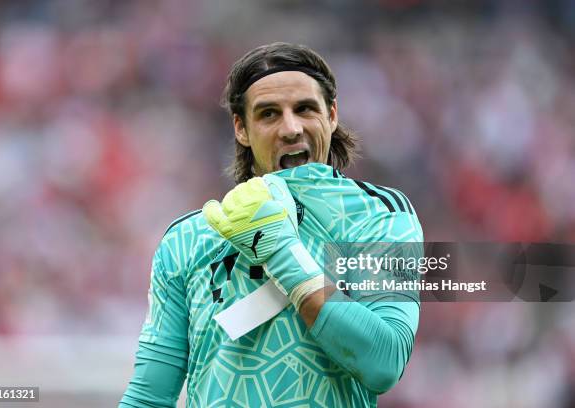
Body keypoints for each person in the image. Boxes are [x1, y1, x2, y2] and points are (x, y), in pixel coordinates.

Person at [120, 42, 423, 408]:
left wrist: (280, 252)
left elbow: (384, 362)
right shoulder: (187, 238)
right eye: (268, 114)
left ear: (332, 115)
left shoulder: (380, 215)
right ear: (241, 128)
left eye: (305, 109)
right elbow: (149, 396)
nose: (291, 128)